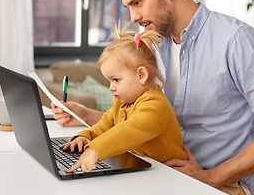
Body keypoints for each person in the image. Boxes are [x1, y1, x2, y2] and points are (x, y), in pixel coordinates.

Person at [52, 0, 254, 194]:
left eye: (137, 3)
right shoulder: (154, 48)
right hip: (161, 175)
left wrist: (211, 176)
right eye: (128, 6)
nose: (134, 17)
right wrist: (86, 116)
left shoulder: (237, 40)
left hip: (219, 185)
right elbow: (145, 122)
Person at [59, 26, 187, 173]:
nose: (111, 87)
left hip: (170, 174)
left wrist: (95, 150)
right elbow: (107, 123)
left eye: (116, 80)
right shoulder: (121, 101)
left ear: (141, 76)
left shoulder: (156, 106)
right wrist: (86, 136)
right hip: (145, 167)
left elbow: (130, 130)